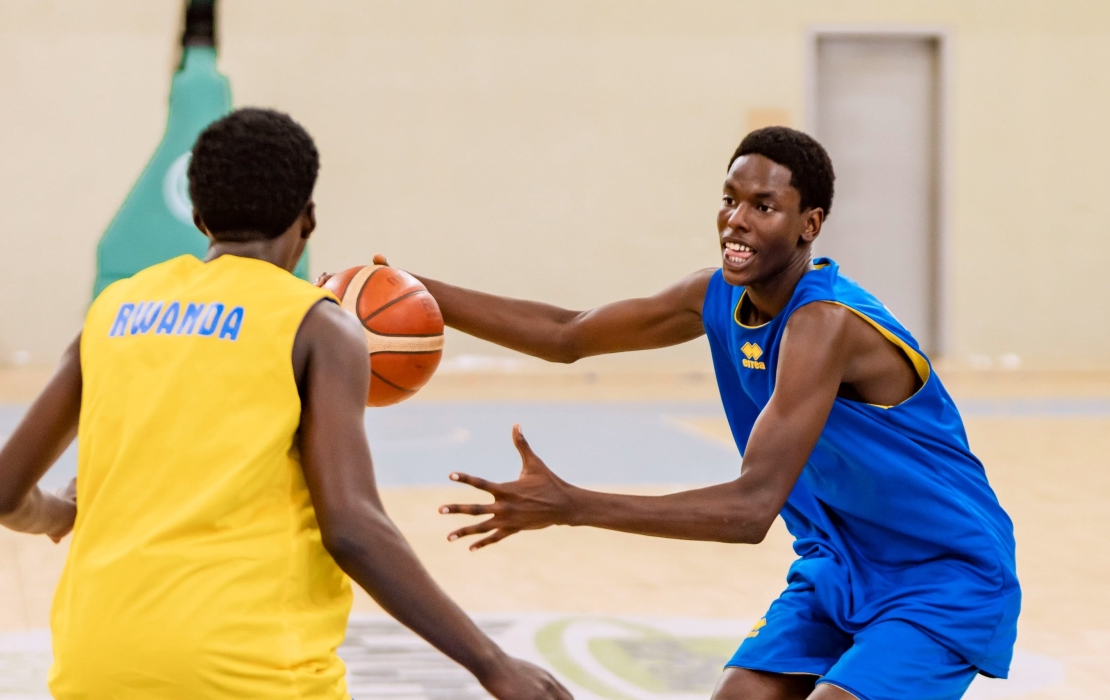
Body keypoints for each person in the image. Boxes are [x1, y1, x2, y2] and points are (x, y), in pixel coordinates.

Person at [385, 127, 1021, 700]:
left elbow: (749, 511)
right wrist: (413, 291)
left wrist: (573, 505)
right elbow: (566, 333)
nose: (736, 221)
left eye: (763, 207)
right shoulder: (712, 295)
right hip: (838, 562)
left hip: (942, 576)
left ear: (810, 224)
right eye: (730, 199)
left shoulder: (825, 324)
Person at [0, 108, 570, 700]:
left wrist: (60, 513)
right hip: (247, 671)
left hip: (94, 666)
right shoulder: (315, 325)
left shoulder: (113, 311)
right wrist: (490, 662)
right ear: (307, 219)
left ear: (200, 217)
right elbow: (353, 528)